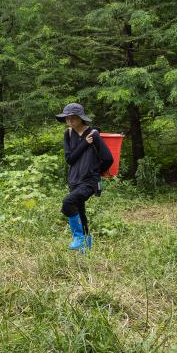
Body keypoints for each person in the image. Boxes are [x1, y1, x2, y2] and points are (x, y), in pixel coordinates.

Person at [56, 103, 112, 252]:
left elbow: (108, 159)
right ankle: (86, 247)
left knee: (68, 202)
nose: (70, 121)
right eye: (67, 118)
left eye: (73, 118)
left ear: (81, 118)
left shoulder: (93, 134)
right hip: (74, 179)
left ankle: (78, 236)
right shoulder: (68, 134)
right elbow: (69, 159)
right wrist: (83, 144)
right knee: (80, 210)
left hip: (89, 181)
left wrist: (95, 172)